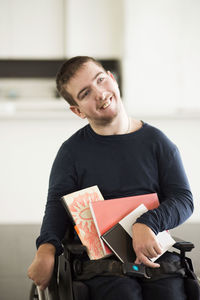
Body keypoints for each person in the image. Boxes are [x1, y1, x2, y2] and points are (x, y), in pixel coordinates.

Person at [28, 56, 193, 299]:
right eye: (85, 93)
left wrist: (148, 223)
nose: (100, 93)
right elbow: (57, 207)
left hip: (155, 254)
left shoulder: (158, 143)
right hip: (100, 266)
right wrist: (46, 249)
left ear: (113, 79)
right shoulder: (72, 153)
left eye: (101, 80)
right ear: (77, 110)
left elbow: (183, 199)